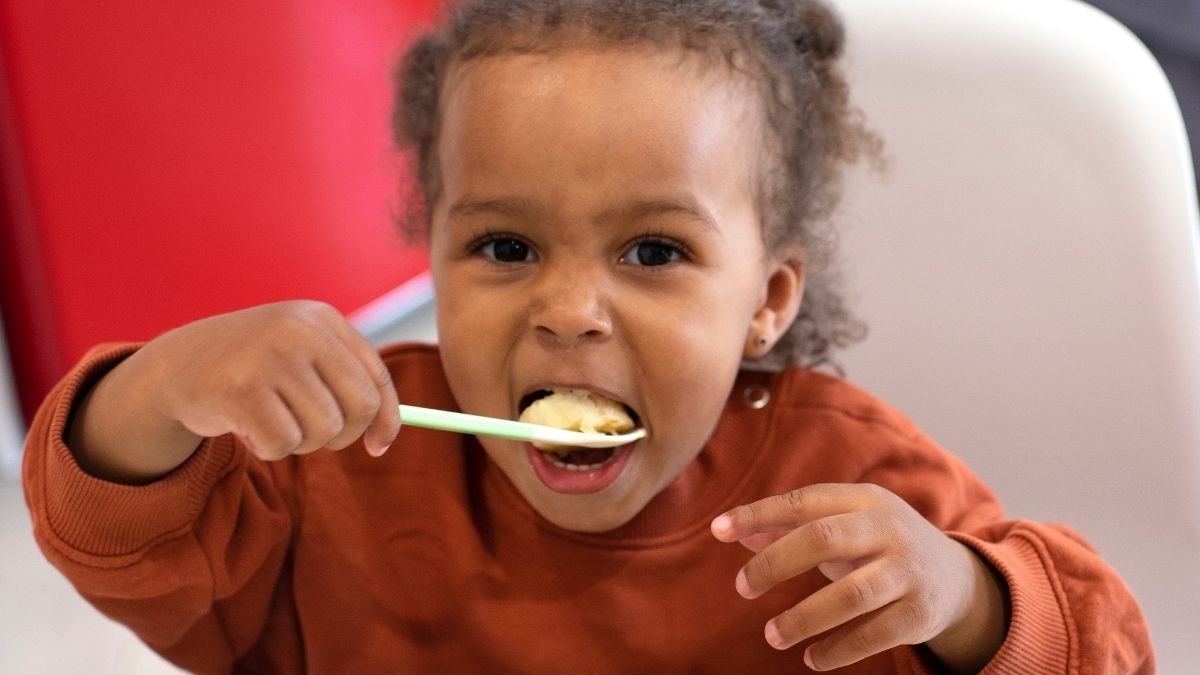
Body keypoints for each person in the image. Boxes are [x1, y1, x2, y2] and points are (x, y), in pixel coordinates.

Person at [23, 0, 1153, 672]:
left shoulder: (847, 494)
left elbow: (1111, 651)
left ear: (766, 298)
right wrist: (163, 390)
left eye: (654, 252)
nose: (566, 311)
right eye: (506, 248)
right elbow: (112, 538)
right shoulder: (337, 473)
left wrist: (962, 600)